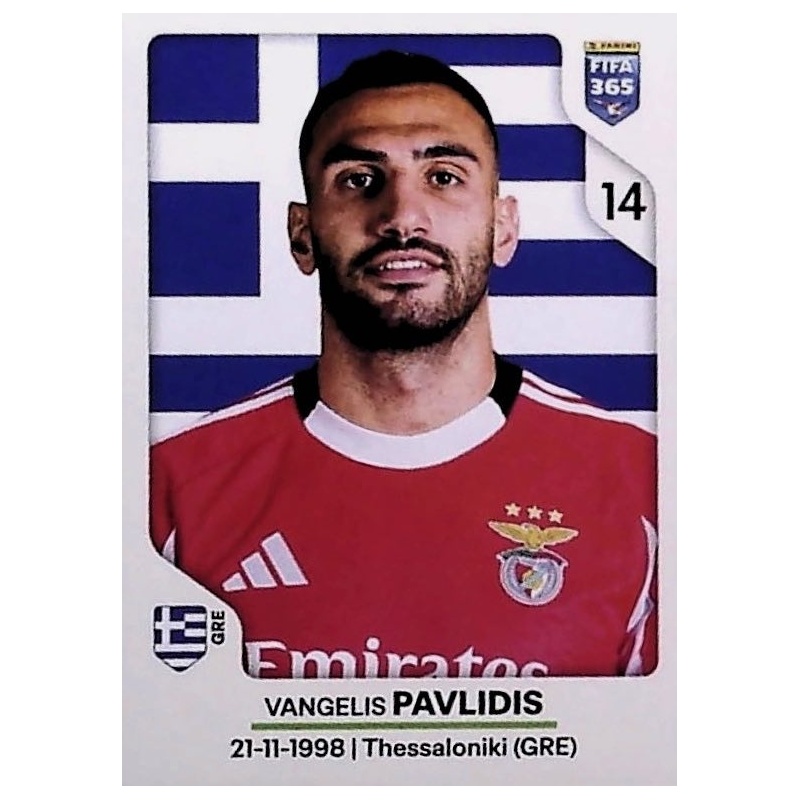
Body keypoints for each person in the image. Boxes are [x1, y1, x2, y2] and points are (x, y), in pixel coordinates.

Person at [150, 51, 657, 679]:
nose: (402, 218)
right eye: (359, 179)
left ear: (503, 228)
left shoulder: (644, 488)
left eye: (443, 176)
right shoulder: (171, 493)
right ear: (302, 235)